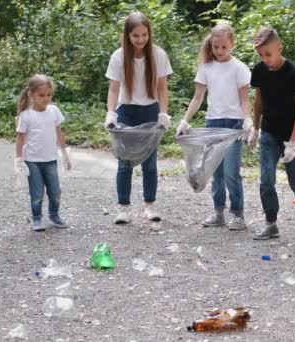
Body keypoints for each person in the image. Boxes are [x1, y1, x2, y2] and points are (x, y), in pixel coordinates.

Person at [175, 22, 253, 230]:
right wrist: (185, 120)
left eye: (223, 47)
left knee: (231, 171)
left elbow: (245, 100)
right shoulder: (206, 68)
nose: (219, 51)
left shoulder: (239, 68)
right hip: (213, 124)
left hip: (234, 124)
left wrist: (248, 119)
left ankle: (237, 214)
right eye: (215, 47)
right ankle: (218, 211)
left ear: (232, 44)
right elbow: (197, 97)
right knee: (215, 170)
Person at [247, 27, 295, 240]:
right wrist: (256, 128)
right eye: (261, 55)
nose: (265, 59)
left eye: (268, 54)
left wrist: (293, 143)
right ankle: (271, 223)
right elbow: (259, 100)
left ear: (279, 48)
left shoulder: (293, 73)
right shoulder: (259, 70)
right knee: (266, 179)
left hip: (290, 135)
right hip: (269, 131)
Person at [104, 12, 173, 224]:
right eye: (135, 35)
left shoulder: (158, 55)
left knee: (149, 164)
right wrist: (111, 113)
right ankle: (123, 208)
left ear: (149, 33)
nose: (140, 39)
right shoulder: (119, 56)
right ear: (127, 35)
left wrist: (163, 113)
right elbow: (114, 89)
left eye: (144, 35)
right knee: (125, 163)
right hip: (126, 111)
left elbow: (162, 87)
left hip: (150, 111)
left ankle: (149, 206)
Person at [15, 74, 72, 232]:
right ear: (31, 94)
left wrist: (65, 153)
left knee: (55, 191)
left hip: (51, 160)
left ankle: (54, 215)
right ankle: (37, 218)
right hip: (32, 161)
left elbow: (59, 133)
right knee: (37, 192)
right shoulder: (26, 115)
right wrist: (19, 160)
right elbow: (20, 138)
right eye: (41, 95)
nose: (46, 98)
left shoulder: (54, 111)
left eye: (48, 94)